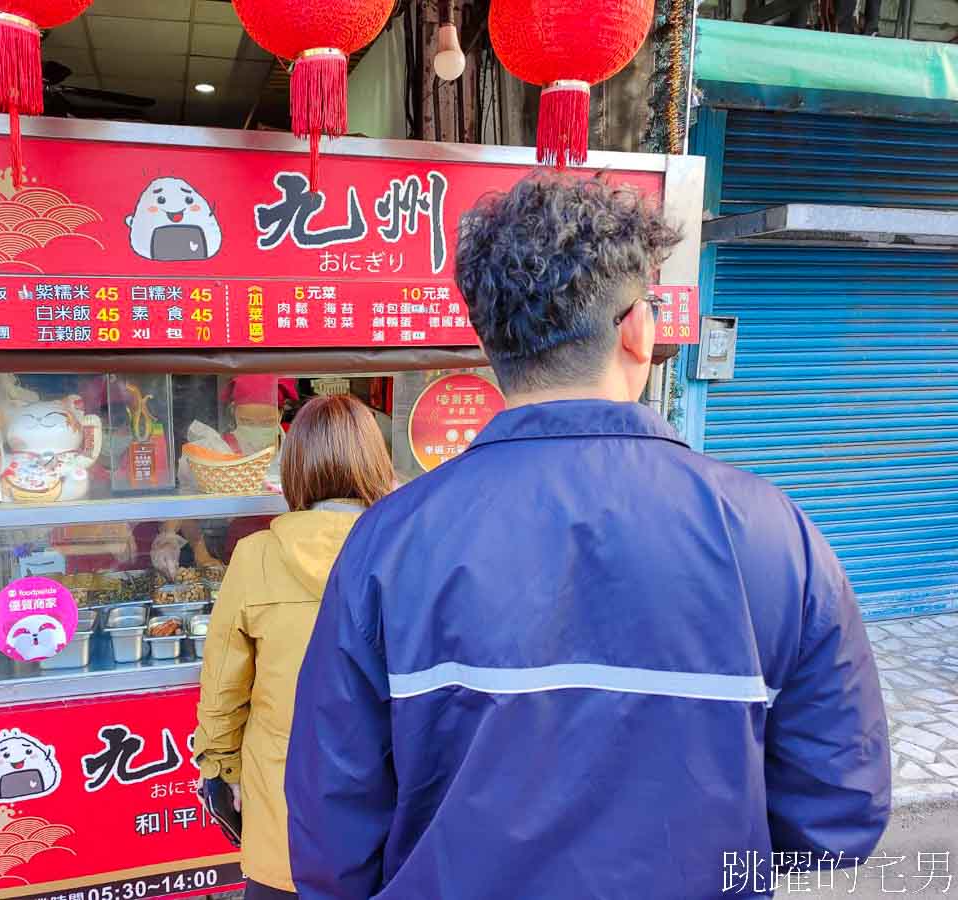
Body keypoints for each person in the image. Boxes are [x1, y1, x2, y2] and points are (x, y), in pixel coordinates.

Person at [285, 176, 891, 899]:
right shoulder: (769, 533)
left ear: (488, 342)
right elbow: (839, 814)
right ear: (638, 329)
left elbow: (330, 835)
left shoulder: (387, 543)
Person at [193, 394, 395, 900]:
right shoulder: (403, 549)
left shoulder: (255, 555)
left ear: (294, 468)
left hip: (283, 809)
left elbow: (223, 684)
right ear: (376, 463)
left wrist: (221, 770)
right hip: (385, 807)